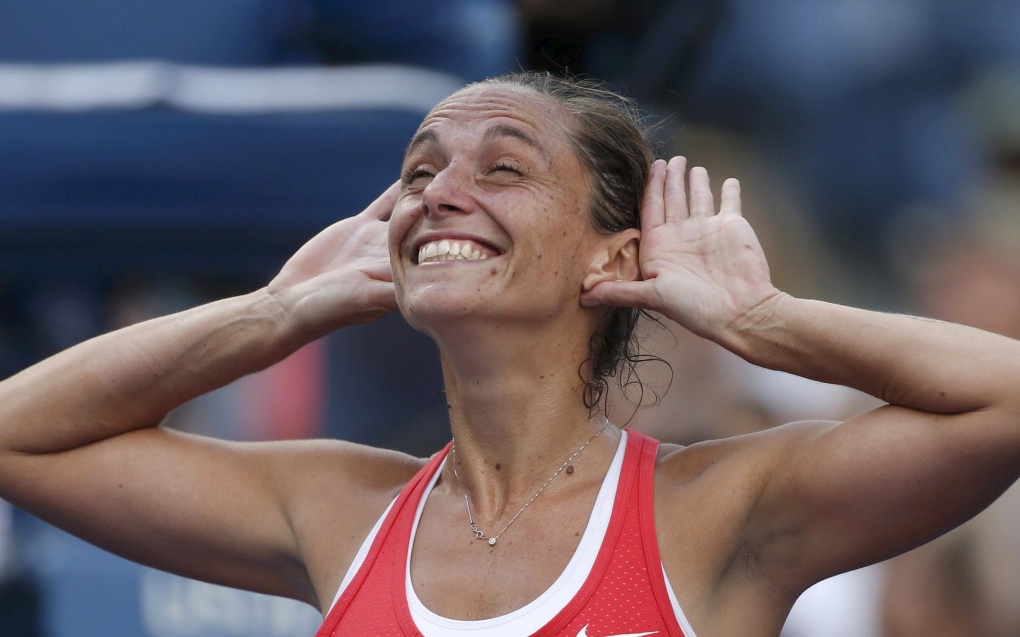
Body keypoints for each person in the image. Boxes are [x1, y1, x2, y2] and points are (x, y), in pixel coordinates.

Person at [2, 71, 1019, 637]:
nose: (440, 192)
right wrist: (274, 311)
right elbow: (20, 437)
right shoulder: (341, 509)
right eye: (420, 170)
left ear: (613, 253)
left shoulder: (717, 510)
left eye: (502, 167)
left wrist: (762, 322)